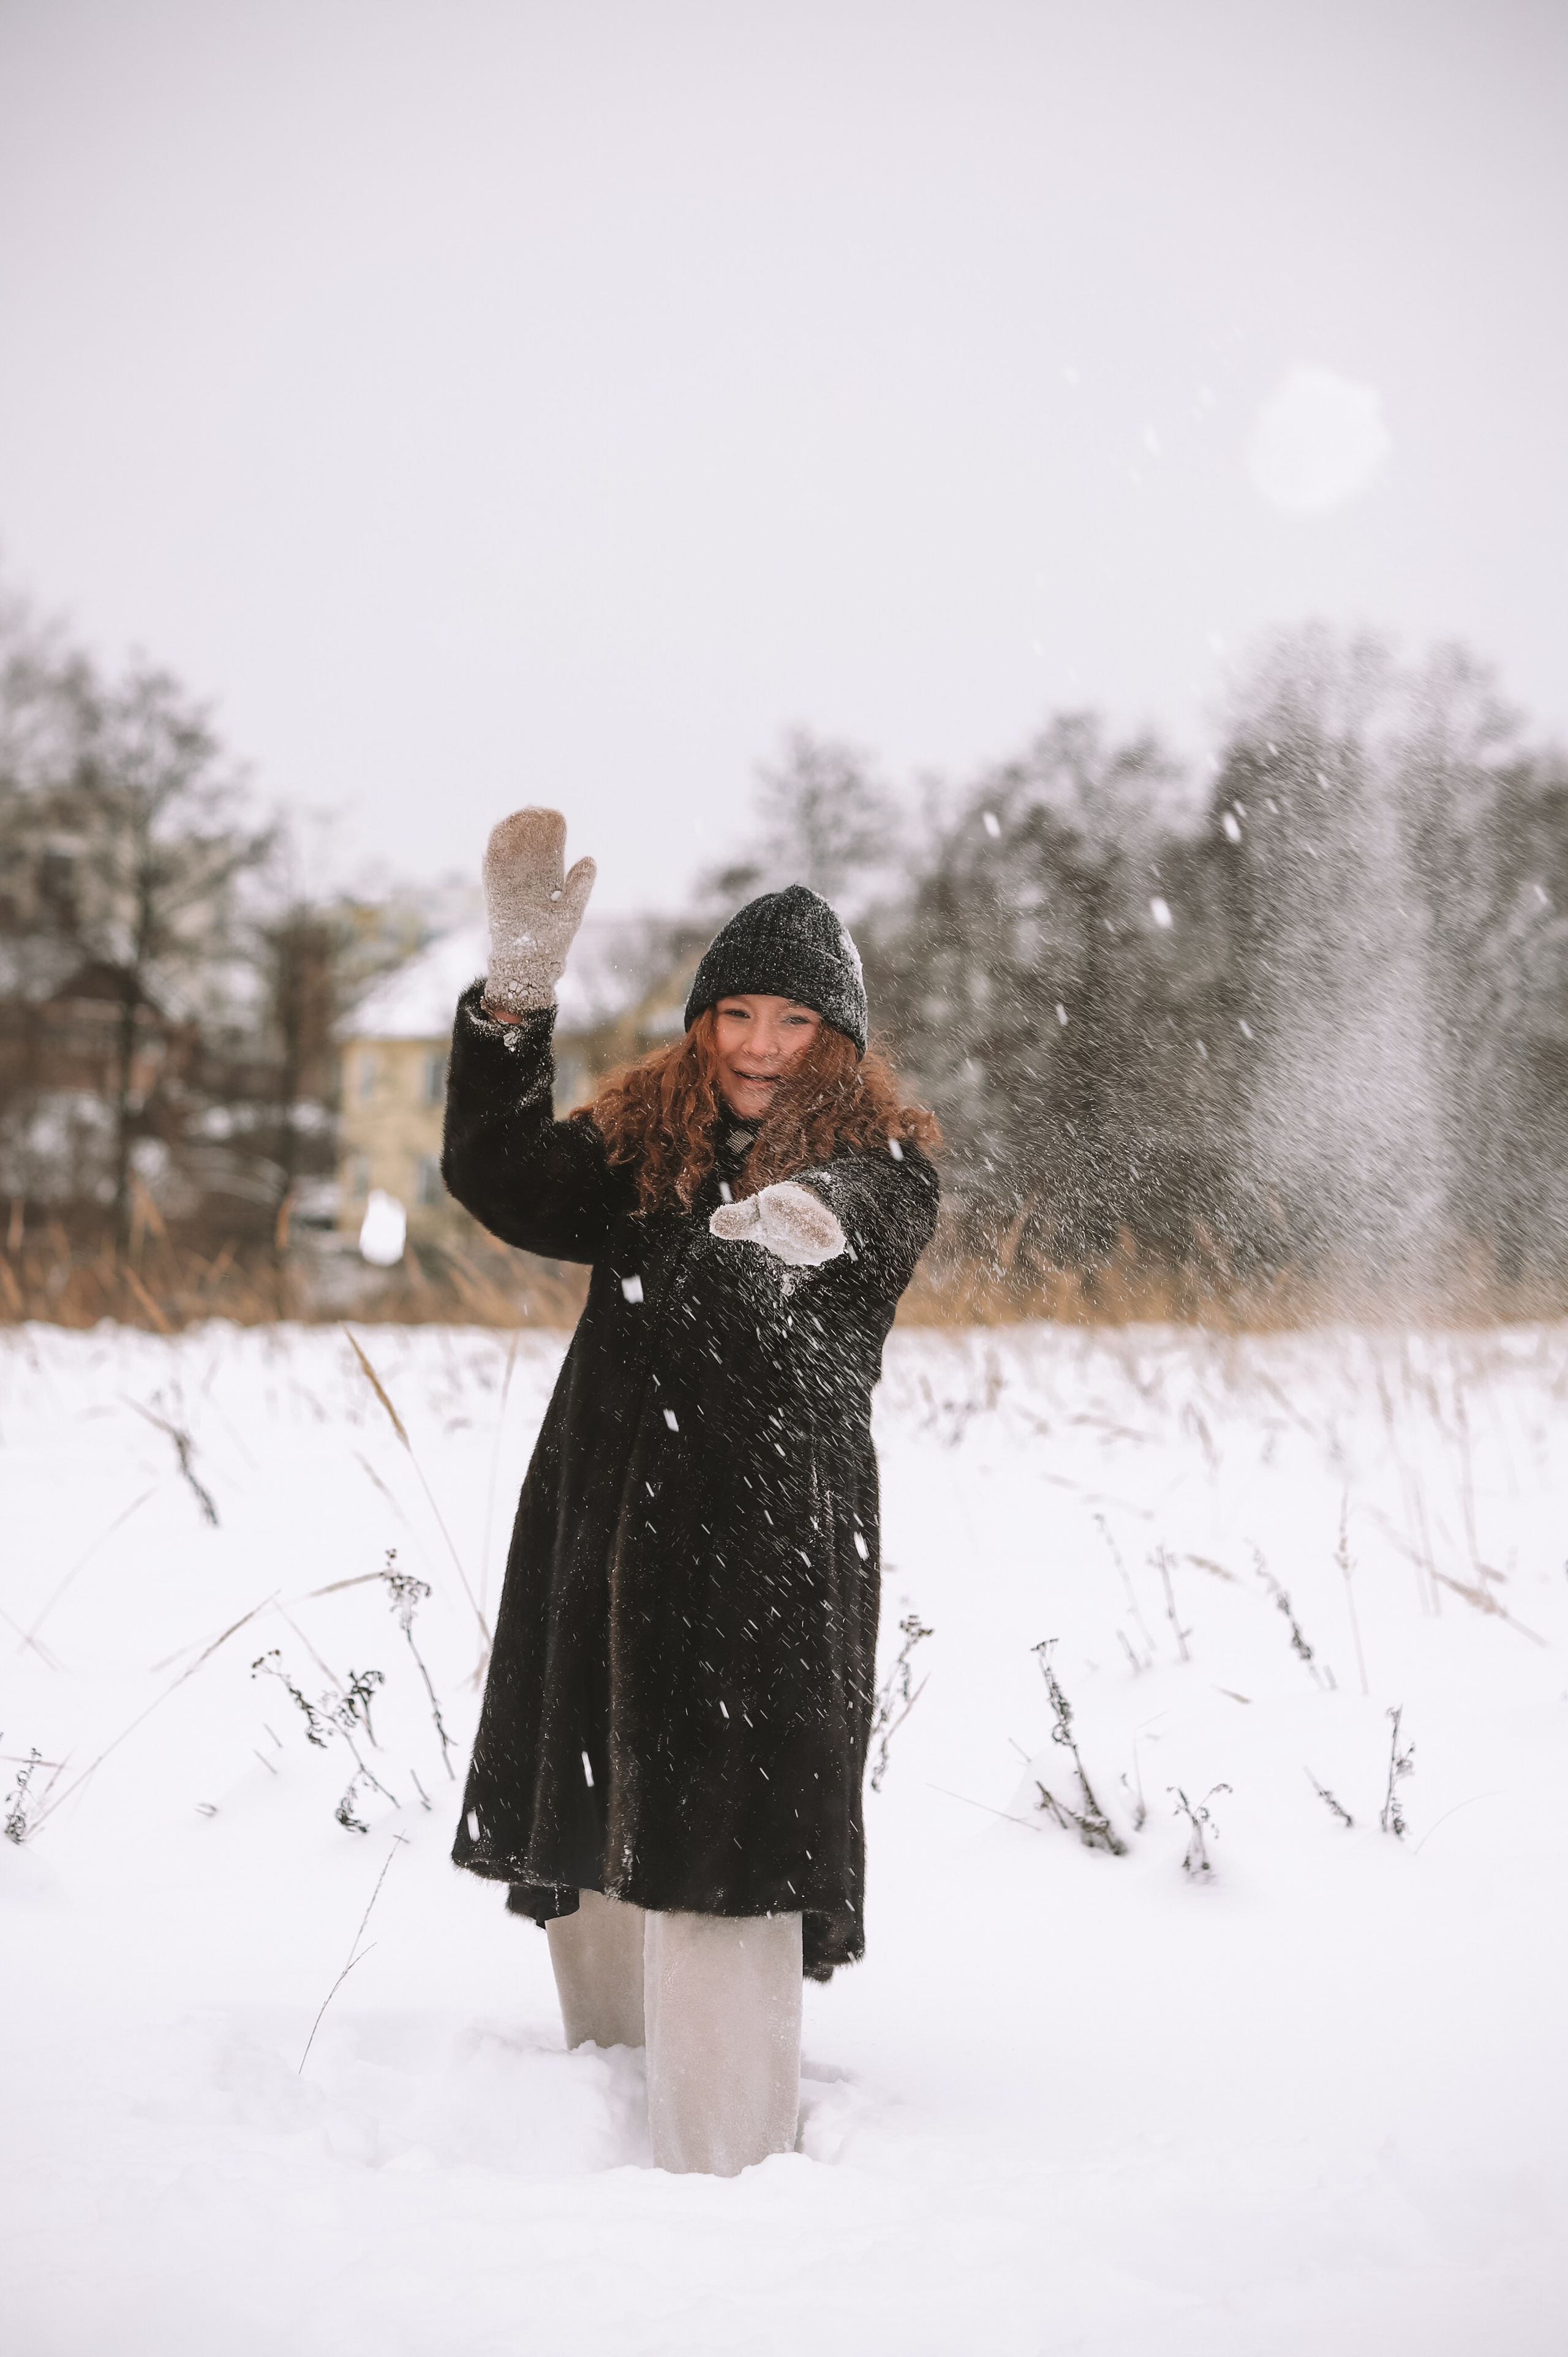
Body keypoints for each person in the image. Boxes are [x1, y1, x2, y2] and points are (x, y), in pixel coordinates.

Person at [443, 807, 940, 2174]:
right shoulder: (642, 1144)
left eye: (793, 1021)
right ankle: (598, 2095)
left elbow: (864, 1225)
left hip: (766, 1548)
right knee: (591, 1785)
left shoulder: (883, 1163)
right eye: (735, 1014)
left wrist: (807, 1219)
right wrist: (514, 999)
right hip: (603, 1522)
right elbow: (494, 1175)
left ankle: (722, 2168)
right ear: (700, 1021)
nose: (760, 1046)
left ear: (834, 1041)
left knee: (734, 1822)